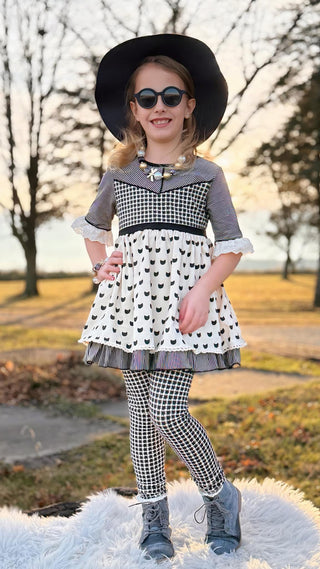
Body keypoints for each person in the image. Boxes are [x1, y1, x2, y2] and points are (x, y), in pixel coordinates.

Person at [72, 34, 253, 562]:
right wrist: (98, 264)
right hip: (130, 307)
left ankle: (221, 497)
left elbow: (231, 246)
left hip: (181, 310)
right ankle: (155, 520)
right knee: (141, 414)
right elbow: (92, 228)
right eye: (146, 98)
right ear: (132, 108)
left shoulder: (206, 174)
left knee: (169, 410)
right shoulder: (119, 174)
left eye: (171, 96)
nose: (159, 107)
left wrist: (203, 291)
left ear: (189, 104)